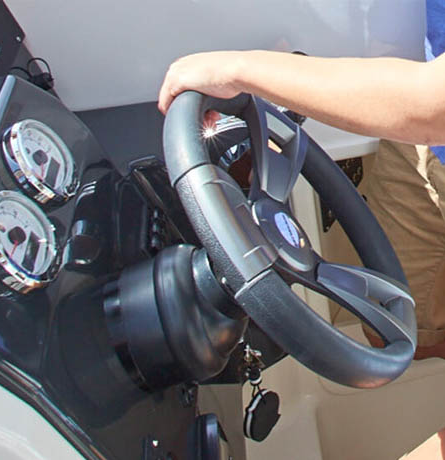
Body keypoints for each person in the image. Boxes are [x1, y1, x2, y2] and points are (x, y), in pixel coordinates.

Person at [157, 2, 445, 360]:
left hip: (429, 111)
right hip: (424, 140)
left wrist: (236, 71)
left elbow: (434, 105)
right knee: (394, 329)